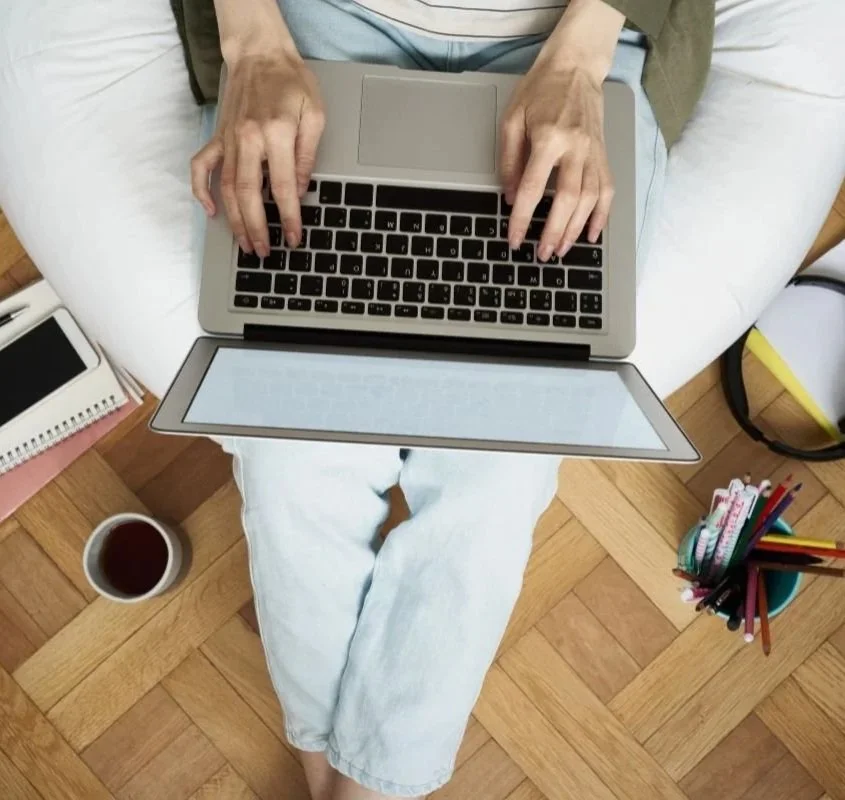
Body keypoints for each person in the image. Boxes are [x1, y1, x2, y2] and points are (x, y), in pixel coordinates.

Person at [0, 0, 842, 799]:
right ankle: (356, 782)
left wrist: (582, 58)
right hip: (313, 32)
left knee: (492, 483)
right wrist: (252, 41)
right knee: (294, 447)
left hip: (574, 45)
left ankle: (341, 781)